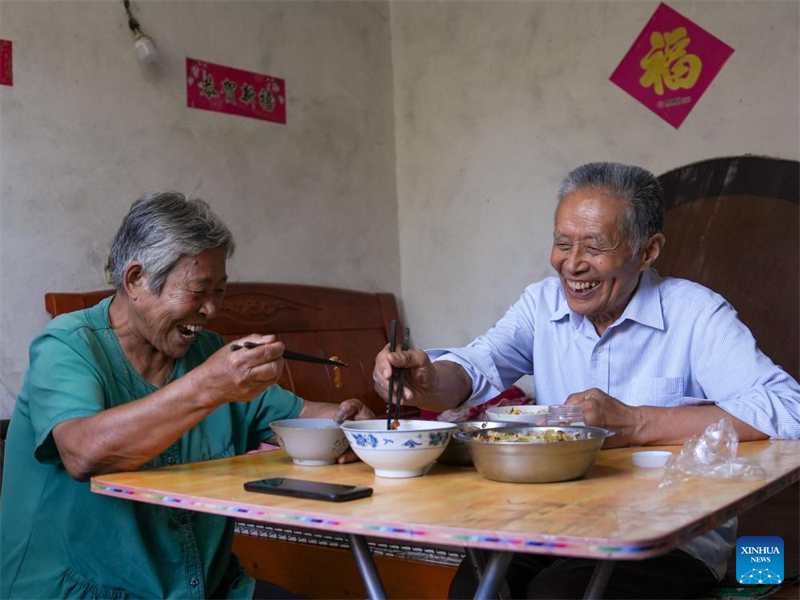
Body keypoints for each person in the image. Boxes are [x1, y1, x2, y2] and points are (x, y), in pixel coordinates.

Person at [373, 162, 800, 599]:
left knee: (560, 594)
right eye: (562, 244)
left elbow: (789, 408)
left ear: (648, 251)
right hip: (554, 520)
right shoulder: (541, 304)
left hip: (670, 535)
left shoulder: (695, 313)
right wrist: (429, 380)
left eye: (595, 247)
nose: (573, 264)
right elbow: (475, 367)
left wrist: (635, 422)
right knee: (477, 587)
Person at [0, 192, 374, 600]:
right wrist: (208, 386)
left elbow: (300, 416)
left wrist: (350, 422)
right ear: (136, 280)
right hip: (85, 592)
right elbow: (83, 453)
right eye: (198, 291)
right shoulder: (67, 346)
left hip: (207, 589)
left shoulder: (207, 352)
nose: (211, 310)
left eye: (220, 292)